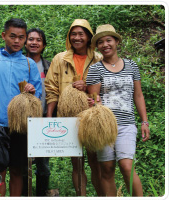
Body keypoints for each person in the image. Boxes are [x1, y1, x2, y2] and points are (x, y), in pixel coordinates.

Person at [86, 24, 150, 196]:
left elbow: (138, 95)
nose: (105, 44)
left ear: (116, 42)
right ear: (97, 47)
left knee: (126, 165)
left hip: (126, 124)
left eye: (109, 40)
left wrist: (144, 121)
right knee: (106, 169)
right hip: (104, 126)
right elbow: (93, 98)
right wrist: (94, 101)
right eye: (100, 42)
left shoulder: (131, 66)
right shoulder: (95, 68)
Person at [0, 18, 42, 197]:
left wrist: (32, 91)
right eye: (12, 36)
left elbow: (37, 96)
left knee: (17, 170)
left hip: (20, 125)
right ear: (3, 36)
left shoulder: (29, 64)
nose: (17, 41)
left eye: (21, 37)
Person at [44, 19, 103, 196]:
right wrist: (49, 117)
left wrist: (87, 88)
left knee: (95, 160)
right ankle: (81, 196)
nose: (77, 38)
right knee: (76, 161)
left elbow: (105, 87)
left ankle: (102, 195)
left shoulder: (98, 58)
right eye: (73, 34)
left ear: (89, 37)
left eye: (81, 34)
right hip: (68, 117)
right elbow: (52, 88)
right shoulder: (60, 59)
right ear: (69, 36)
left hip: (92, 115)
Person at [23, 28, 51, 196]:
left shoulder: (49, 66)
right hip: (22, 119)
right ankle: (24, 194)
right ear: (25, 43)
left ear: (44, 44)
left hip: (43, 118)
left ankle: (41, 194)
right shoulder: (19, 63)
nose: (34, 42)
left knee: (43, 163)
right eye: (30, 39)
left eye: (38, 40)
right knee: (23, 162)